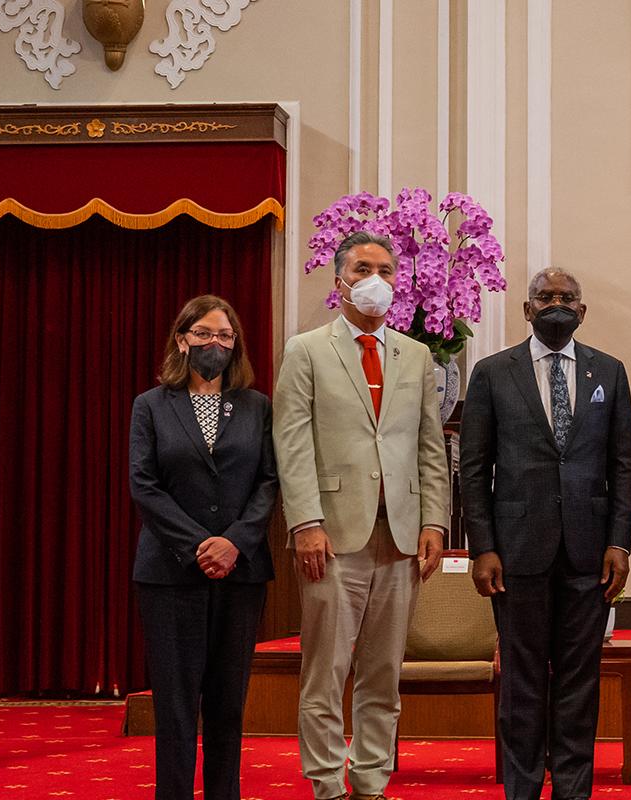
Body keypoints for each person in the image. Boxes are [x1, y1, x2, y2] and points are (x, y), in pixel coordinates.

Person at [275, 231, 452, 800]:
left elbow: (430, 445)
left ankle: (371, 782)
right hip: (331, 536)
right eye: (362, 269)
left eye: (385, 269)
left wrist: (434, 522)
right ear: (340, 281)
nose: (375, 279)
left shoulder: (416, 355)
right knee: (326, 673)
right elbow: (292, 442)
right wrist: (305, 522)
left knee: (383, 673)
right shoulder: (307, 350)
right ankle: (328, 784)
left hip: (400, 537)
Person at [459, 267, 631, 800]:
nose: (555, 304)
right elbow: (474, 469)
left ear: (582, 311)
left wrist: (619, 542)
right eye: (544, 297)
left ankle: (573, 791)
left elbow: (623, 465)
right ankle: (522, 789)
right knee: (522, 681)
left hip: (590, 553)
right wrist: (482, 547)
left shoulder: (610, 371)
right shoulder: (493, 372)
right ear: (527, 309)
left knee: (580, 681)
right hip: (515, 553)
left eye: (566, 297)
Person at [129, 295, 276, 800]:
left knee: (227, 703)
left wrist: (234, 542)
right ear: (182, 340)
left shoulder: (256, 406)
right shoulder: (151, 405)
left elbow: (269, 482)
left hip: (241, 572)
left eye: (225, 335)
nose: (216, 343)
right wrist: (199, 546)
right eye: (205, 334)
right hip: (170, 573)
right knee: (174, 705)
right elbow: (144, 484)